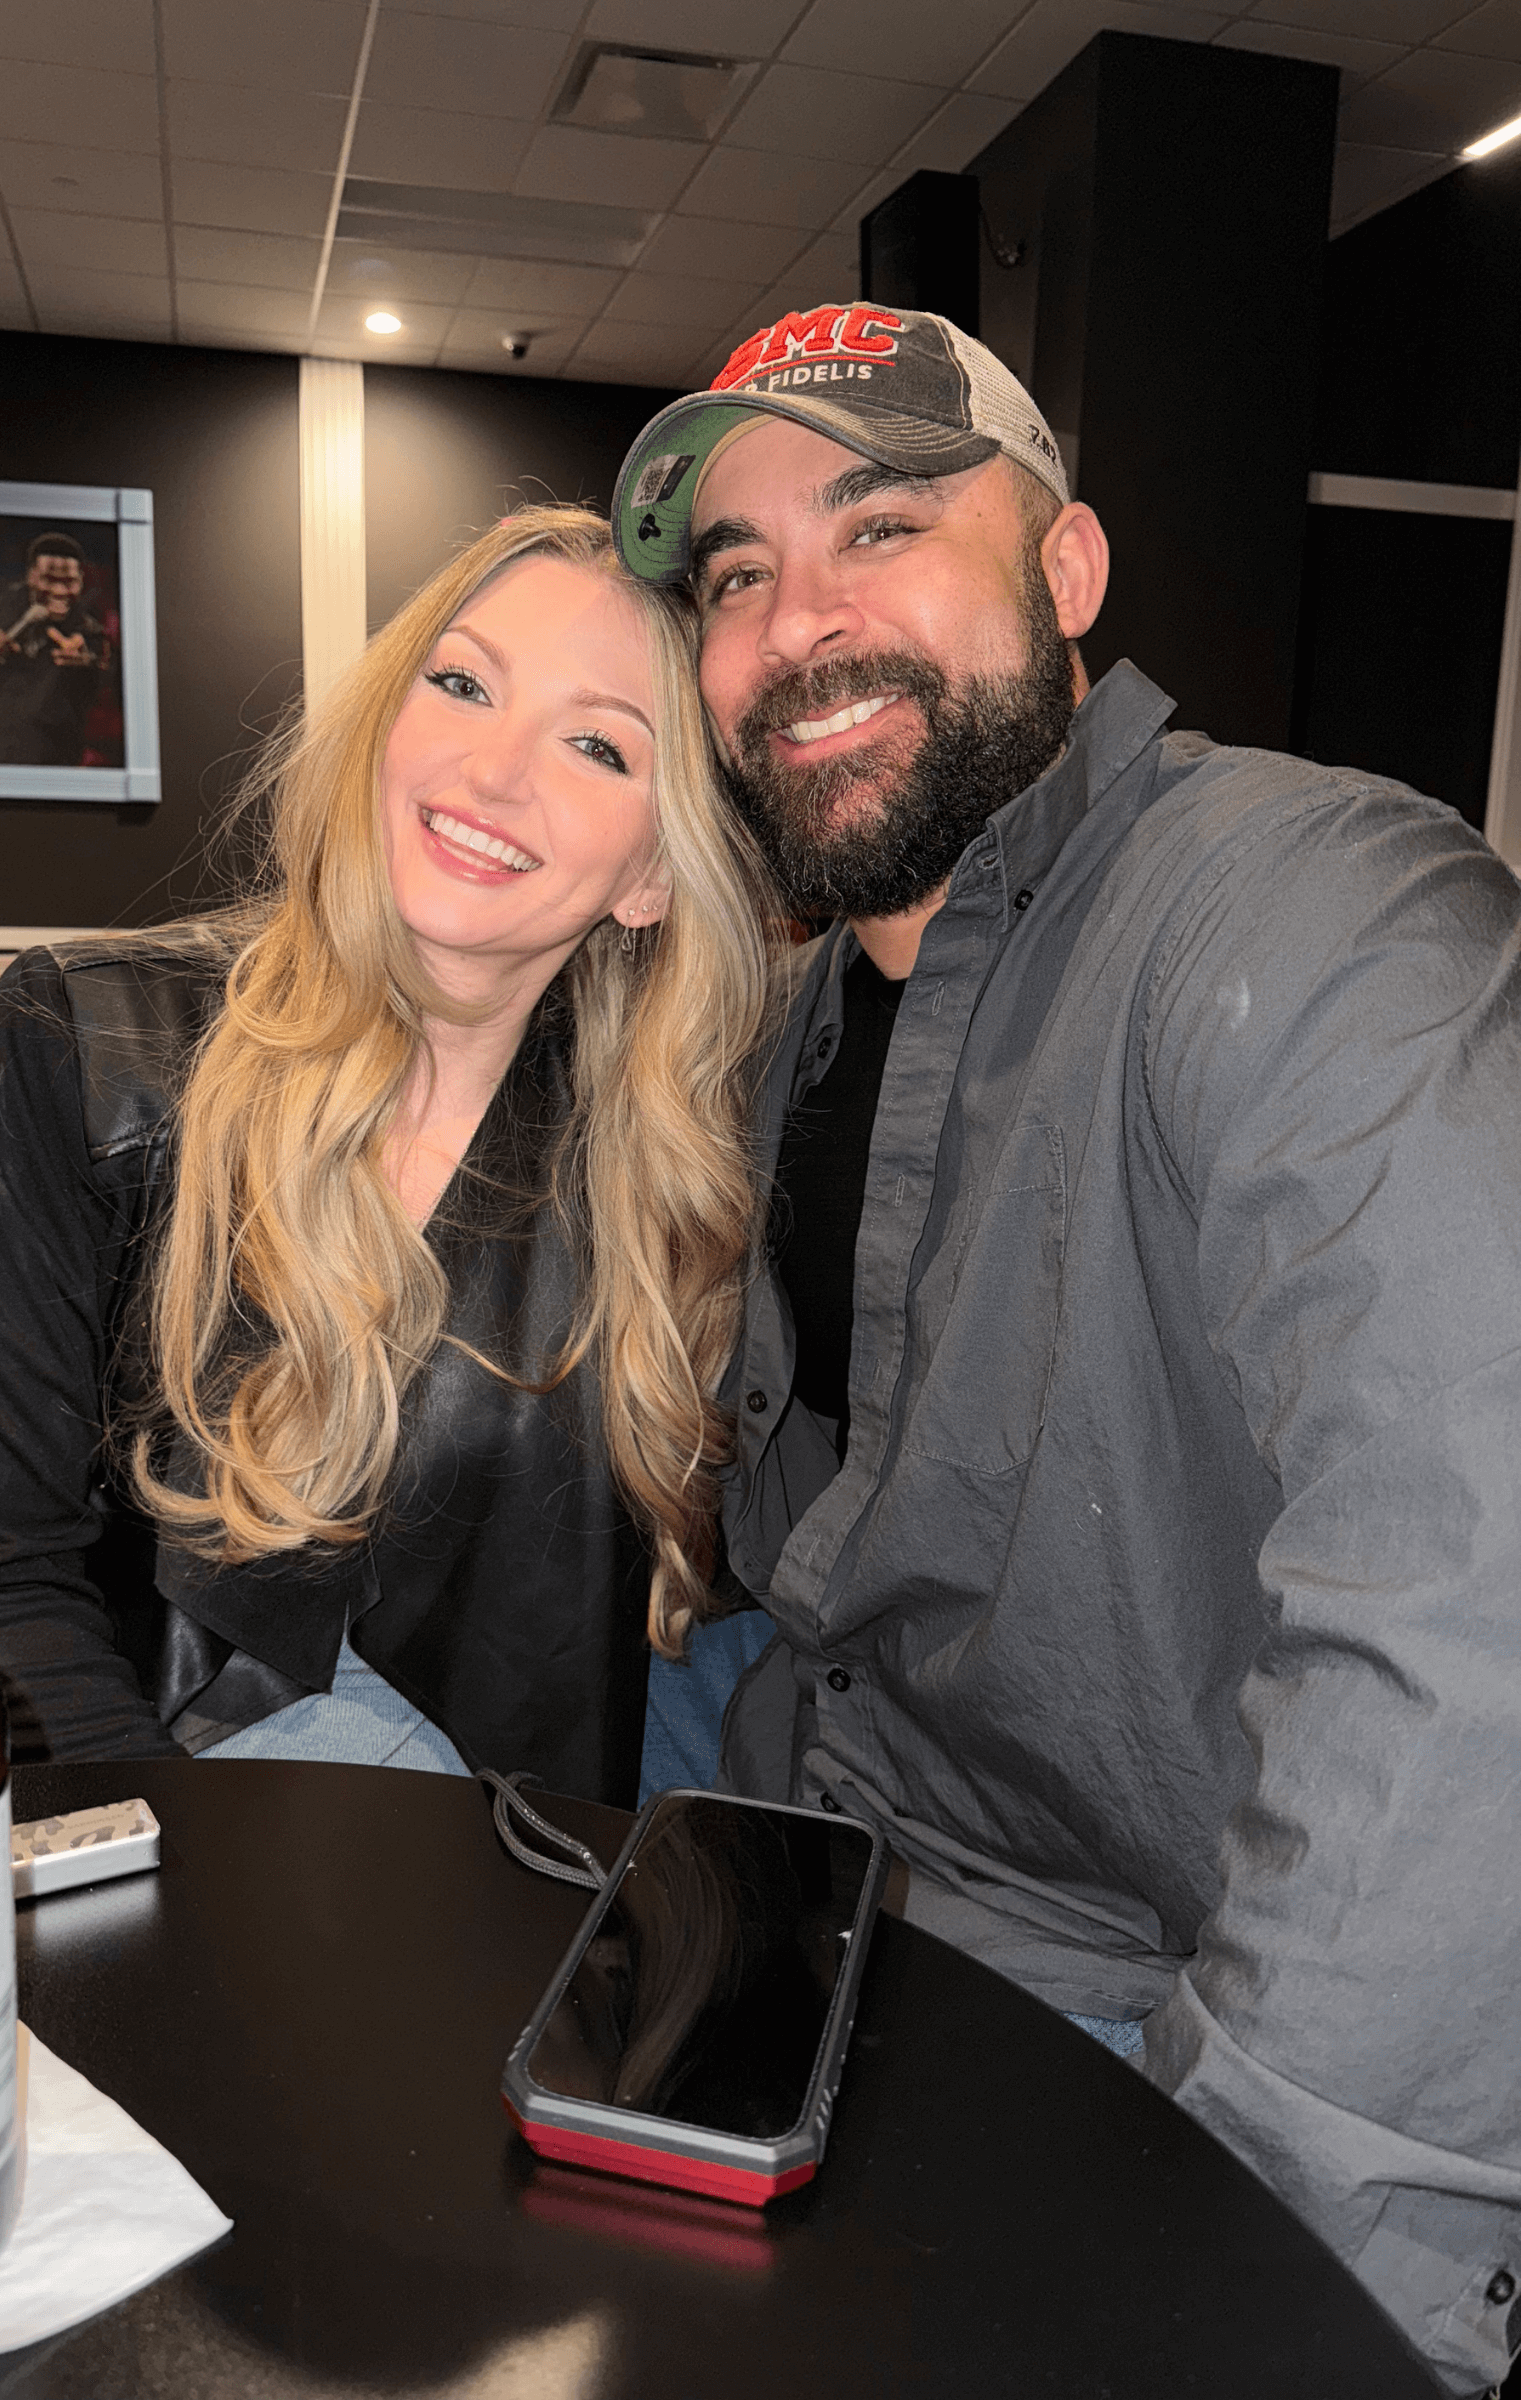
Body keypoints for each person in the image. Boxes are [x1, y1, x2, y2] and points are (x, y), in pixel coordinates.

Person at [612, 307, 1521, 2395]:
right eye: (738, 575)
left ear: (1069, 567)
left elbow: (1469, 1623)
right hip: (846, 1895)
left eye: (881, 528)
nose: (796, 624)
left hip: (1175, 2028)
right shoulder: (798, 1021)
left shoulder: (1316, 915)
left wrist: (1255, 2285)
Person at [0, 506, 774, 1806]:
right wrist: (169, 1876)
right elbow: (7, 1581)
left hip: (506, 1868)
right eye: (463, 684)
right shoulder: (86, 1045)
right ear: (381, 721)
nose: (493, 772)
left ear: (650, 878)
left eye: (598, 745)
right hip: (145, 1825)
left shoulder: (668, 1167)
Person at [0, 529, 113, 767]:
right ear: (31, 576)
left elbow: (107, 663)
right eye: (50, 580)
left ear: (80, 581)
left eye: (69, 582)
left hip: (49, 759)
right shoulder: (6, 604)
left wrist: (88, 660)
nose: (59, 591)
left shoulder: (85, 626)